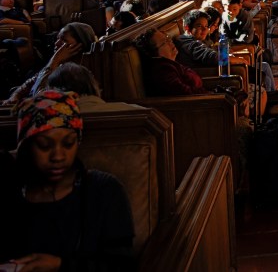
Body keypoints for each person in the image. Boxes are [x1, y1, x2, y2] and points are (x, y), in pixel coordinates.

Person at [0, 90, 135, 269]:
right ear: (26, 147)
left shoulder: (104, 191)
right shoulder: (11, 192)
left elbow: (122, 265)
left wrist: (60, 266)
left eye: (68, 143)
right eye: (44, 146)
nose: (58, 156)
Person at [4, 23, 98, 107]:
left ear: (80, 45)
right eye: (57, 39)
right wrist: (15, 96)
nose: (56, 43)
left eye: (64, 40)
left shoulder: (78, 73)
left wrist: (54, 61)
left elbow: (39, 97)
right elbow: (31, 82)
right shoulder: (62, 63)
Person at [135, 27, 205, 96]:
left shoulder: (170, 63)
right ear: (154, 53)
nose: (170, 42)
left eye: (168, 38)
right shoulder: (162, 70)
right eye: (164, 42)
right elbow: (185, 94)